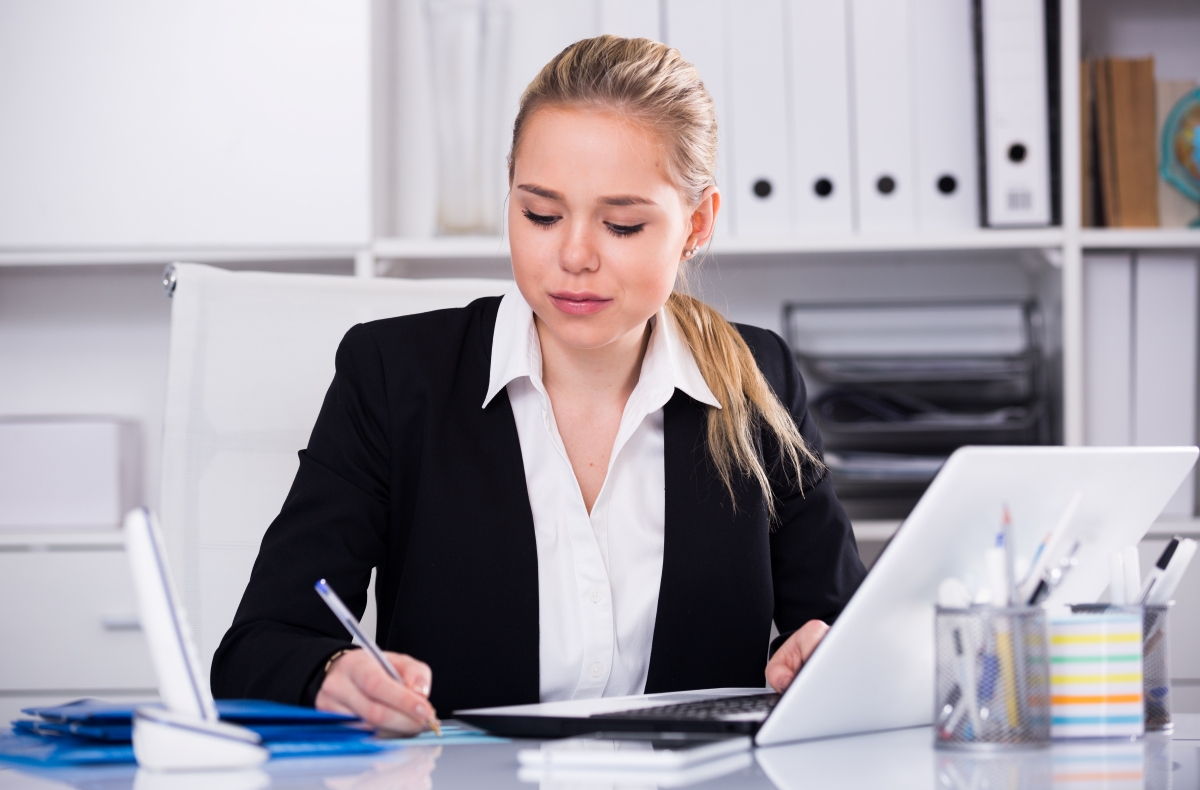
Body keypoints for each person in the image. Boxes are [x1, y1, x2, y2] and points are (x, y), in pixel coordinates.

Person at [211, 35, 866, 736]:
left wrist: (824, 653)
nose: (574, 255)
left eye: (621, 223)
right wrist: (328, 675)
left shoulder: (756, 382)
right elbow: (256, 649)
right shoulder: (392, 375)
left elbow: (847, 632)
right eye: (540, 215)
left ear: (696, 225)